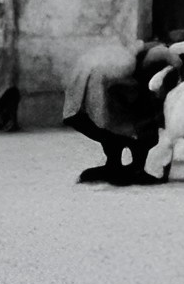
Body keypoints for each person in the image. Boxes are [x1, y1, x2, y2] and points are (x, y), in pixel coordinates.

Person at [61, 38, 170, 184]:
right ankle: (128, 166)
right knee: (136, 129)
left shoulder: (120, 58)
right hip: (103, 102)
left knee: (118, 130)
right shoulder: (128, 67)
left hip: (88, 105)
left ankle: (118, 164)